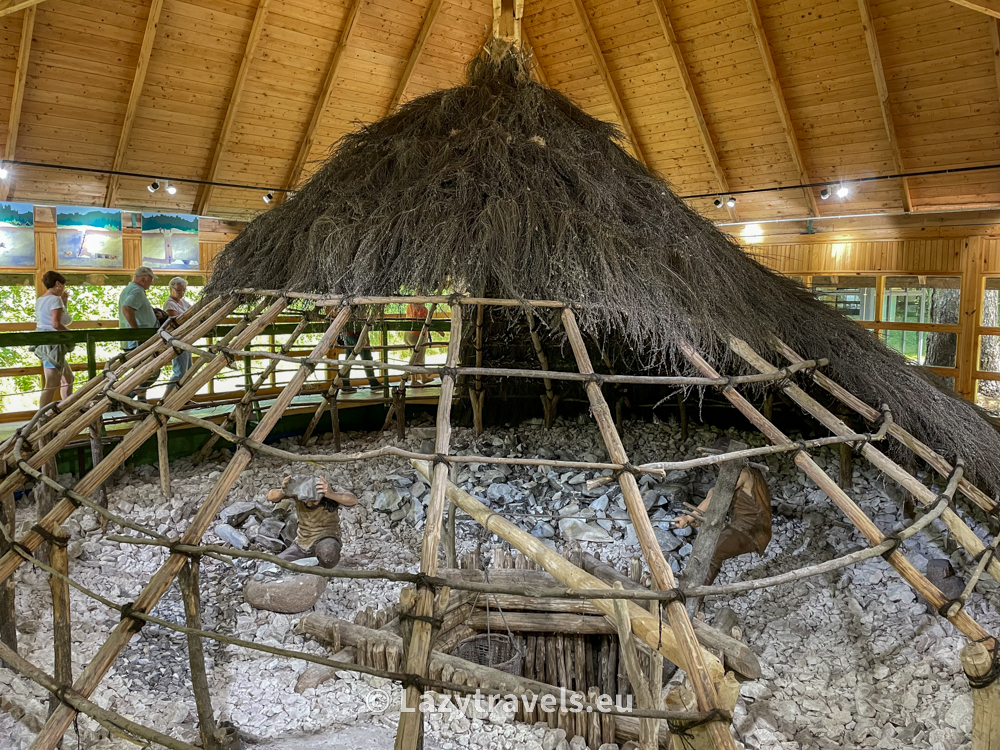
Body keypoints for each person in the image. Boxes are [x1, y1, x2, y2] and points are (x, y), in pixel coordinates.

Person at [674, 465, 772, 586]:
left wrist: (689, 517)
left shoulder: (744, 474)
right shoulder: (733, 475)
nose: (718, 465)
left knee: (713, 550)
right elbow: (714, 493)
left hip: (752, 529)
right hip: (739, 525)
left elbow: (719, 495)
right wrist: (700, 516)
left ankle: (698, 593)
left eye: (720, 462)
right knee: (708, 547)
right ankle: (692, 588)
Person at [265, 475, 358, 568]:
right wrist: (283, 491)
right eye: (306, 500)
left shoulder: (329, 490)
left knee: (328, 554)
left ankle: (321, 567)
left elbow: (353, 500)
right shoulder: (299, 490)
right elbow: (270, 496)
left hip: (326, 538)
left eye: (314, 500)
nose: (309, 504)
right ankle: (309, 563)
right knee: (278, 563)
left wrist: (332, 495)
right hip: (303, 543)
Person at [32, 270, 74, 408]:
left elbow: (59, 319)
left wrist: (64, 302)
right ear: (57, 284)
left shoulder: (41, 299)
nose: (63, 288)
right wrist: (70, 335)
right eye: (63, 285)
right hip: (52, 343)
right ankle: (42, 416)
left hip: (43, 340)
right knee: (51, 384)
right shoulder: (55, 299)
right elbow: (55, 324)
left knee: (68, 378)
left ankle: (67, 408)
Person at [118, 266, 160, 402]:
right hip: (138, 341)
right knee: (152, 372)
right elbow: (127, 308)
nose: (151, 283)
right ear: (143, 279)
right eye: (150, 280)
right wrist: (136, 331)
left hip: (134, 340)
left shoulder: (129, 290)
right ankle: (125, 398)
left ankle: (141, 402)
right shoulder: (137, 291)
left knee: (142, 373)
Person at [163, 276, 191, 393]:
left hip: (186, 339)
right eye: (179, 290)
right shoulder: (170, 304)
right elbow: (177, 322)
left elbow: (193, 312)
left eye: (184, 290)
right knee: (180, 372)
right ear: (171, 289)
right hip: (177, 340)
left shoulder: (183, 302)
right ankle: (166, 398)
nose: (182, 293)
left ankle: (182, 396)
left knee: (188, 370)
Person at [338, 328, 380, 394]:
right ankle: (374, 384)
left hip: (346, 335)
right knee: (367, 360)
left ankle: (345, 385)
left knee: (348, 361)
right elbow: (364, 325)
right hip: (358, 335)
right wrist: (366, 338)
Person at [405, 302, 431, 385]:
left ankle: (424, 377)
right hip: (418, 335)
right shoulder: (424, 310)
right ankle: (414, 380)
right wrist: (439, 331)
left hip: (408, 334)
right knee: (417, 360)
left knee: (417, 356)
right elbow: (428, 323)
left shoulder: (409, 306)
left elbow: (407, 319)